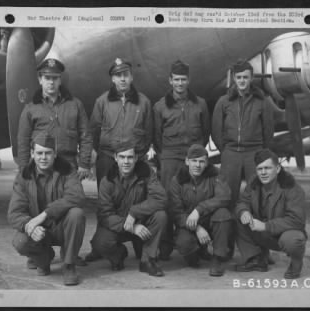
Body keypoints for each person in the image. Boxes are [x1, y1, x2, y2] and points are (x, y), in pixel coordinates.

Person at [86, 58, 153, 262]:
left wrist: (140, 156)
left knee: (137, 199)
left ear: (132, 77)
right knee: (105, 203)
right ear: (112, 79)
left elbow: (149, 132)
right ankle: (101, 246)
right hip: (107, 158)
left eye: (126, 75)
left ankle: (141, 243)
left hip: (135, 160)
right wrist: (97, 153)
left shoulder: (143, 102)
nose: (122, 79)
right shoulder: (102, 101)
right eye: (118, 75)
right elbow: (93, 130)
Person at [211, 59, 275, 257]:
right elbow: (216, 130)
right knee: (226, 199)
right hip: (230, 154)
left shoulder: (262, 101)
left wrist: (260, 154)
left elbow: (268, 131)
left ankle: (262, 250)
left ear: (251, 78)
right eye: (238, 77)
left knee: (259, 200)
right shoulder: (223, 102)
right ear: (234, 78)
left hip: (254, 154)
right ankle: (226, 248)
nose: (242, 81)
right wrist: (227, 151)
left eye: (245, 77)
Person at [8, 132, 86, 286]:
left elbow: (77, 196)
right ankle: (43, 259)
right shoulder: (24, 175)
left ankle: (69, 265)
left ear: (55, 154)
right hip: (39, 231)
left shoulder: (67, 170)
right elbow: (14, 213)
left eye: (48, 153)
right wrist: (29, 226)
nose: (43, 157)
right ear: (32, 154)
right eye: (39, 153)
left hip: (60, 227)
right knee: (20, 241)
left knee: (77, 214)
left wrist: (45, 214)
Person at [153, 60, 211, 260]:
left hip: (193, 157)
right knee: (169, 201)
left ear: (189, 80)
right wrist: (166, 155)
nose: (180, 83)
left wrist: (195, 155)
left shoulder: (200, 104)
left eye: (183, 79)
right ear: (170, 80)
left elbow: (205, 131)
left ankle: (199, 243)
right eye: (176, 79)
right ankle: (166, 245)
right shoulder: (160, 106)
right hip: (170, 157)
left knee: (197, 197)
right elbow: (156, 136)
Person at [91, 142, 168, 277]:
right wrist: (132, 227)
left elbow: (161, 198)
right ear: (115, 157)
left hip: (142, 224)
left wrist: (135, 212)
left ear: (136, 158)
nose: (126, 161)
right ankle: (118, 255)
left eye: (130, 157)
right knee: (100, 242)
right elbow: (105, 216)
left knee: (161, 216)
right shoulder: (107, 181)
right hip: (121, 227)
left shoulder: (146, 174)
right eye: (122, 157)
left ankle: (147, 260)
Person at [235, 149, 306, 279]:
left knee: (293, 240)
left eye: (267, 168)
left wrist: (265, 226)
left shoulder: (292, 187)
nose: (263, 173)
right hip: (263, 231)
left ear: (278, 168)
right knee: (237, 218)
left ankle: (296, 262)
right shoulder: (254, 182)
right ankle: (256, 258)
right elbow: (243, 201)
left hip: (281, 233)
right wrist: (244, 211)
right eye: (259, 169)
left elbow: (297, 220)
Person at [17, 58, 92, 181]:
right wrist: (24, 168)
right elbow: (23, 140)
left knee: (72, 199)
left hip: (68, 165)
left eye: (55, 78)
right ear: (40, 80)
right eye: (47, 78)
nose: (51, 82)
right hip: (41, 166)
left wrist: (84, 164)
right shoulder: (30, 109)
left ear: (60, 80)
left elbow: (86, 136)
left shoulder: (75, 105)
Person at [169, 144, 232, 276]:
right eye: (194, 161)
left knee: (223, 213)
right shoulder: (177, 181)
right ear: (187, 161)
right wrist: (197, 228)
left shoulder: (215, 175)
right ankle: (198, 251)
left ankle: (218, 258)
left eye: (201, 161)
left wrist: (199, 210)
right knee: (185, 247)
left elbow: (224, 197)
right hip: (188, 224)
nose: (197, 165)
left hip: (210, 220)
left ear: (207, 163)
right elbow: (176, 213)